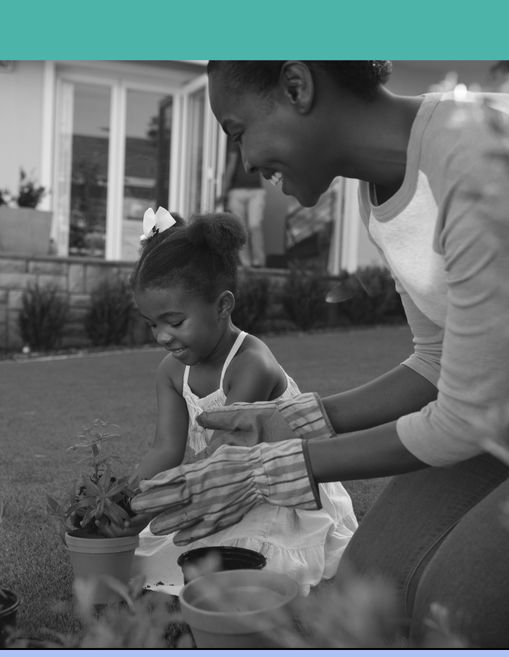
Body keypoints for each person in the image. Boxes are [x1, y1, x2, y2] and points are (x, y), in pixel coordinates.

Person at [132, 61, 509, 647]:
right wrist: (292, 421)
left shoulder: (476, 160)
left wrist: (277, 468)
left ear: (297, 87)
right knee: (362, 597)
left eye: (238, 131)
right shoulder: (381, 195)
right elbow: (436, 358)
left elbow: (467, 419)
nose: (244, 160)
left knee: (459, 615)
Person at [129, 206, 357, 595]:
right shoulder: (170, 371)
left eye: (174, 321)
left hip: (278, 492)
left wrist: (160, 500)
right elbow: (165, 448)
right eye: (153, 324)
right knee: (153, 554)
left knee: (241, 560)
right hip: (219, 486)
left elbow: (223, 455)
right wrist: (127, 496)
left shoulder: (251, 364)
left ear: (222, 306)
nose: (162, 336)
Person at [219, 143, 267, 268]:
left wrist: (224, 191)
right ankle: (248, 264)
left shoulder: (254, 138)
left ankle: (257, 262)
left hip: (255, 190)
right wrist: (225, 190)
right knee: (247, 227)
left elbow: (231, 164)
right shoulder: (236, 140)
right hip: (237, 190)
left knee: (251, 226)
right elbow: (232, 163)